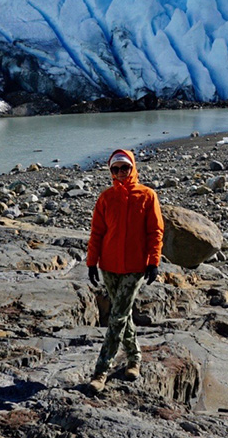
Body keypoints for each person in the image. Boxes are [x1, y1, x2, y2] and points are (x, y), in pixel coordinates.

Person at [85, 149, 164, 394]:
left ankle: (101, 371)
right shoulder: (106, 198)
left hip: (135, 268)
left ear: (133, 169)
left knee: (117, 316)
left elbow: (155, 232)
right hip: (109, 266)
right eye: (115, 169)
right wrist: (91, 262)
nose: (120, 173)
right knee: (124, 314)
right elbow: (97, 233)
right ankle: (134, 359)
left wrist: (153, 261)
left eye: (124, 168)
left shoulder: (147, 195)